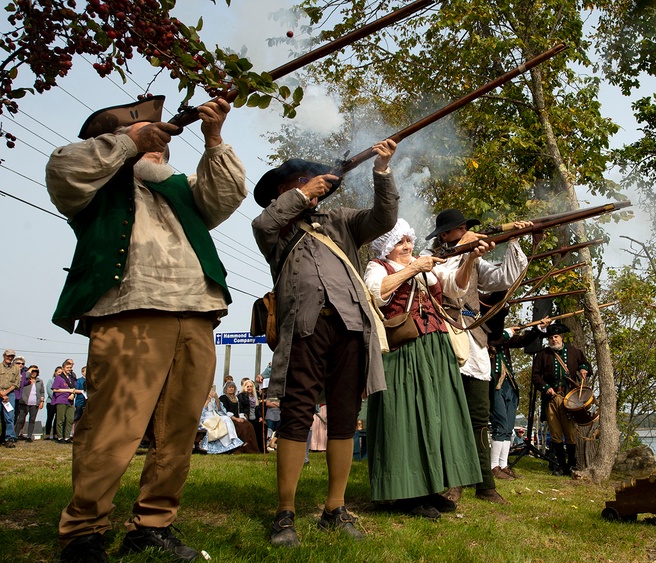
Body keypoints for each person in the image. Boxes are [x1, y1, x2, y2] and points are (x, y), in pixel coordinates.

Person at [47, 94, 246, 563]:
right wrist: (127, 141)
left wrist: (213, 137)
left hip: (196, 310)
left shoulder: (181, 185)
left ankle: (152, 525)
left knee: (178, 433)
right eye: (148, 133)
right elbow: (63, 170)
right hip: (128, 309)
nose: (159, 142)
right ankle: (83, 532)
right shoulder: (96, 178)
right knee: (113, 428)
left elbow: (226, 194)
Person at [251, 139, 398, 547]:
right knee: (297, 414)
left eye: (313, 179)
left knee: (345, 417)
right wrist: (304, 192)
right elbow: (262, 226)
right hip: (304, 327)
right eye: (299, 181)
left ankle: (335, 508)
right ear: (282, 191)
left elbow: (384, 218)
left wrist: (382, 170)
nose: (312, 185)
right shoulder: (275, 225)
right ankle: (285, 513)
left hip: (350, 326)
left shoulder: (340, 220)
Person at [363, 218, 484, 519]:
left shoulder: (422, 264)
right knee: (405, 419)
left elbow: (456, 287)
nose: (407, 246)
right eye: (400, 242)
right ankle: (408, 492)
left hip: (435, 350)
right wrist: (414, 268)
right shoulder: (378, 267)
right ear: (387, 246)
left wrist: (469, 257)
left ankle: (431, 488)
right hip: (402, 354)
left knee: (437, 417)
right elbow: (377, 293)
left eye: (408, 241)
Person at [430, 209, 531, 505]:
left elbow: (505, 278)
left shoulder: (473, 259)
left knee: (478, 418)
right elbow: (448, 279)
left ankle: (485, 485)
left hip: (473, 340)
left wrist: (512, 241)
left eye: (466, 230)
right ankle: (453, 480)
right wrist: (468, 253)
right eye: (459, 230)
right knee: (448, 416)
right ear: (445, 236)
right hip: (443, 337)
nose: (465, 234)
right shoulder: (432, 260)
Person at [480, 292, 547, 480]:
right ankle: (493, 466)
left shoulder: (503, 336)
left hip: (509, 385)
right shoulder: (483, 330)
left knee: (508, 426)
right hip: (494, 385)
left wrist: (538, 329)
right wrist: (506, 333)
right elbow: (492, 340)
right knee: (500, 424)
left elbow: (522, 340)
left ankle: (503, 464)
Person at [531, 322, 591, 476]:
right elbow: (536, 376)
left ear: (561, 337)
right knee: (556, 433)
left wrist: (584, 368)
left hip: (569, 398)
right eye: (551, 337)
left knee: (570, 433)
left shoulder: (574, 352)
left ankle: (571, 464)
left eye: (556, 337)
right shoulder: (542, 355)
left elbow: (585, 364)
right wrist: (545, 388)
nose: (553, 340)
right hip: (551, 398)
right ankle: (560, 465)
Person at [0, 349, 20, 448]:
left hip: (9, 394)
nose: (10, 358)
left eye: (12, 356)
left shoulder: (16, 369)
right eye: (8, 356)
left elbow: (16, 383)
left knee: (9, 417)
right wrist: (1, 393)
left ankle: (9, 438)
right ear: (4, 356)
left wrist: (6, 393)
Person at [198, 386, 245, 454]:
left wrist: (216, 399)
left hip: (215, 415)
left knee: (226, 418)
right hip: (205, 417)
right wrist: (207, 401)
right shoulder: (199, 397)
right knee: (220, 424)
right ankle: (226, 445)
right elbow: (200, 413)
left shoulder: (213, 398)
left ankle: (234, 439)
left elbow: (220, 410)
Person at [16, 365, 45, 441]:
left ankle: (29, 436)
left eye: (36, 372)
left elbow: (42, 392)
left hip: (35, 403)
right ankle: (15, 435)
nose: (34, 373)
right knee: (21, 419)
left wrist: (42, 401)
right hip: (24, 402)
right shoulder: (25, 380)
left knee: (32, 420)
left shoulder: (40, 381)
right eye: (32, 371)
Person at [51, 366, 76, 443]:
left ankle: (67, 437)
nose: (69, 369)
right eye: (67, 367)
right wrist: (68, 390)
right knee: (60, 419)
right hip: (61, 400)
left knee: (70, 419)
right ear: (63, 368)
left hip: (70, 401)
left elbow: (74, 388)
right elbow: (55, 389)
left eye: (70, 368)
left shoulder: (72, 378)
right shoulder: (59, 377)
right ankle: (60, 437)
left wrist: (72, 394)